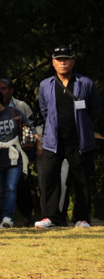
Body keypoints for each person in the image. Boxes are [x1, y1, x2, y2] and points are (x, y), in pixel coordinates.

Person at [34, 45, 101, 229]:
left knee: (82, 181)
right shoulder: (45, 85)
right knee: (50, 179)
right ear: (53, 62)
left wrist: (85, 126)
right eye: (59, 59)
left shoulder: (85, 83)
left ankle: (82, 218)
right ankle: (50, 217)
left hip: (79, 141)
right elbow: (44, 110)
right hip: (53, 141)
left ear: (73, 61)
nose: (63, 62)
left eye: (66, 58)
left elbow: (95, 109)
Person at [0, 87, 30, 229]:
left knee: (11, 187)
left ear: (0, 99)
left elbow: (29, 126)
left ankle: (8, 217)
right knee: (0, 190)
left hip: (14, 155)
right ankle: (3, 218)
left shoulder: (14, 112)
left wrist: (37, 142)